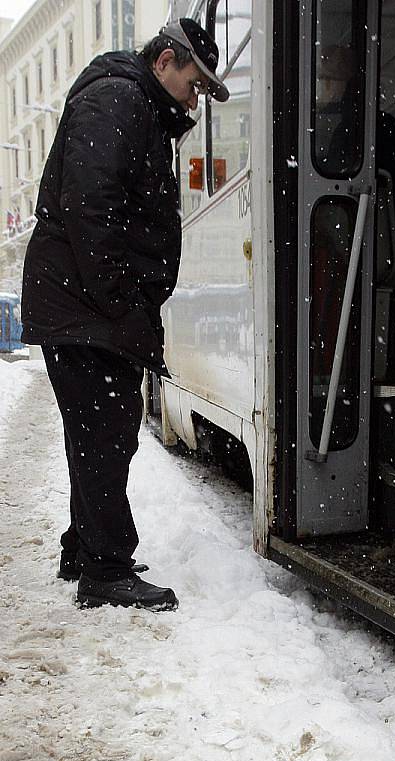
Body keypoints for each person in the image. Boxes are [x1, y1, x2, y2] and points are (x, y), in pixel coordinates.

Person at [20, 19, 229, 611]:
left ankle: (84, 547)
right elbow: (91, 209)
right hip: (84, 306)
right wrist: (123, 305)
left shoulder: (131, 101)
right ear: (166, 60)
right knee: (105, 431)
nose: (194, 100)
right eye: (194, 84)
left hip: (81, 303)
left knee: (97, 431)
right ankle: (105, 570)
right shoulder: (118, 99)